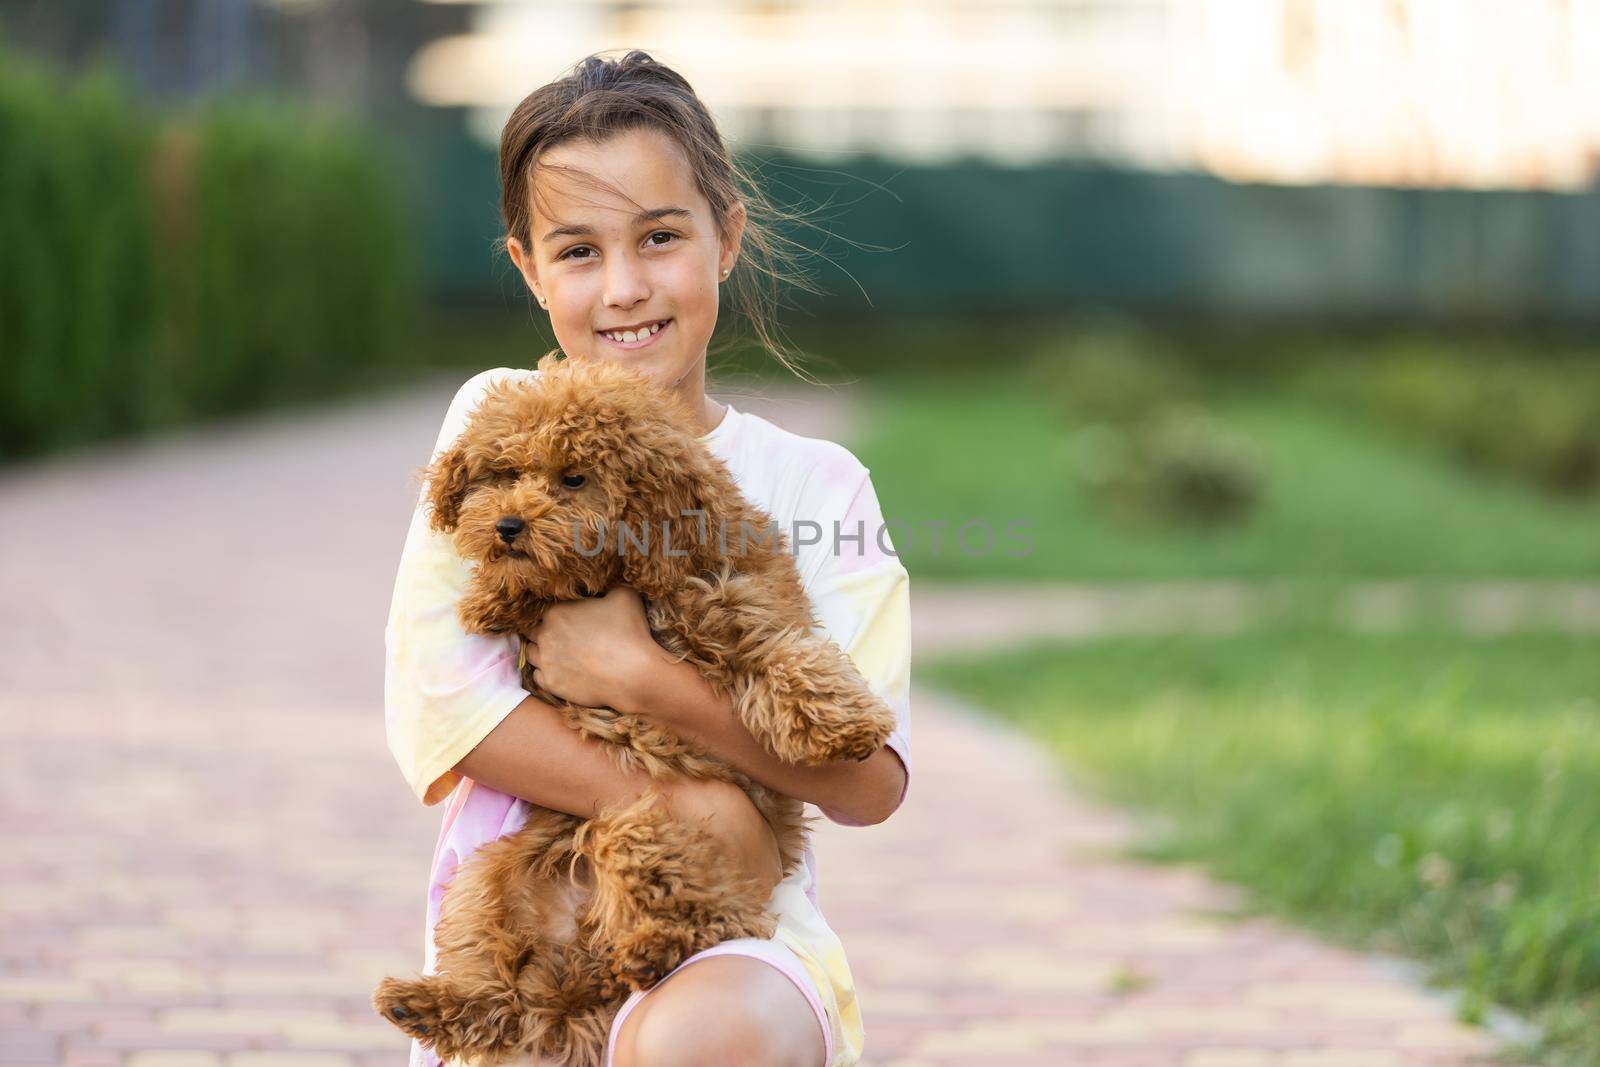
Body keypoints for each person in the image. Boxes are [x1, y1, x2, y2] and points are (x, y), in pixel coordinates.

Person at [384, 50, 912, 1067]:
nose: (624, 289)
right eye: (578, 251)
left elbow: (868, 783)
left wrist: (640, 675)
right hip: (527, 939)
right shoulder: (494, 424)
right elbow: (448, 706)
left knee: (700, 1038)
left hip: (742, 933)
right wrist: (698, 810)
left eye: (660, 238)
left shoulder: (816, 482)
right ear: (529, 270)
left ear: (726, 239)